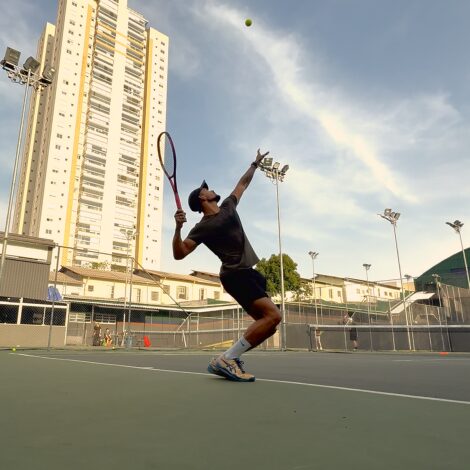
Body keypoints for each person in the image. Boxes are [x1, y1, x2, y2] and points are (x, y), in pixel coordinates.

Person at [173, 149, 282, 382]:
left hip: (247, 273)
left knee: (269, 325)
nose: (211, 189)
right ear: (203, 198)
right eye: (207, 189)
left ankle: (229, 359)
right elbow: (180, 254)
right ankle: (226, 359)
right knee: (274, 316)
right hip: (234, 275)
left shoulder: (228, 207)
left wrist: (255, 163)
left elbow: (242, 184)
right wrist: (178, 229)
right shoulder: (202, 227)